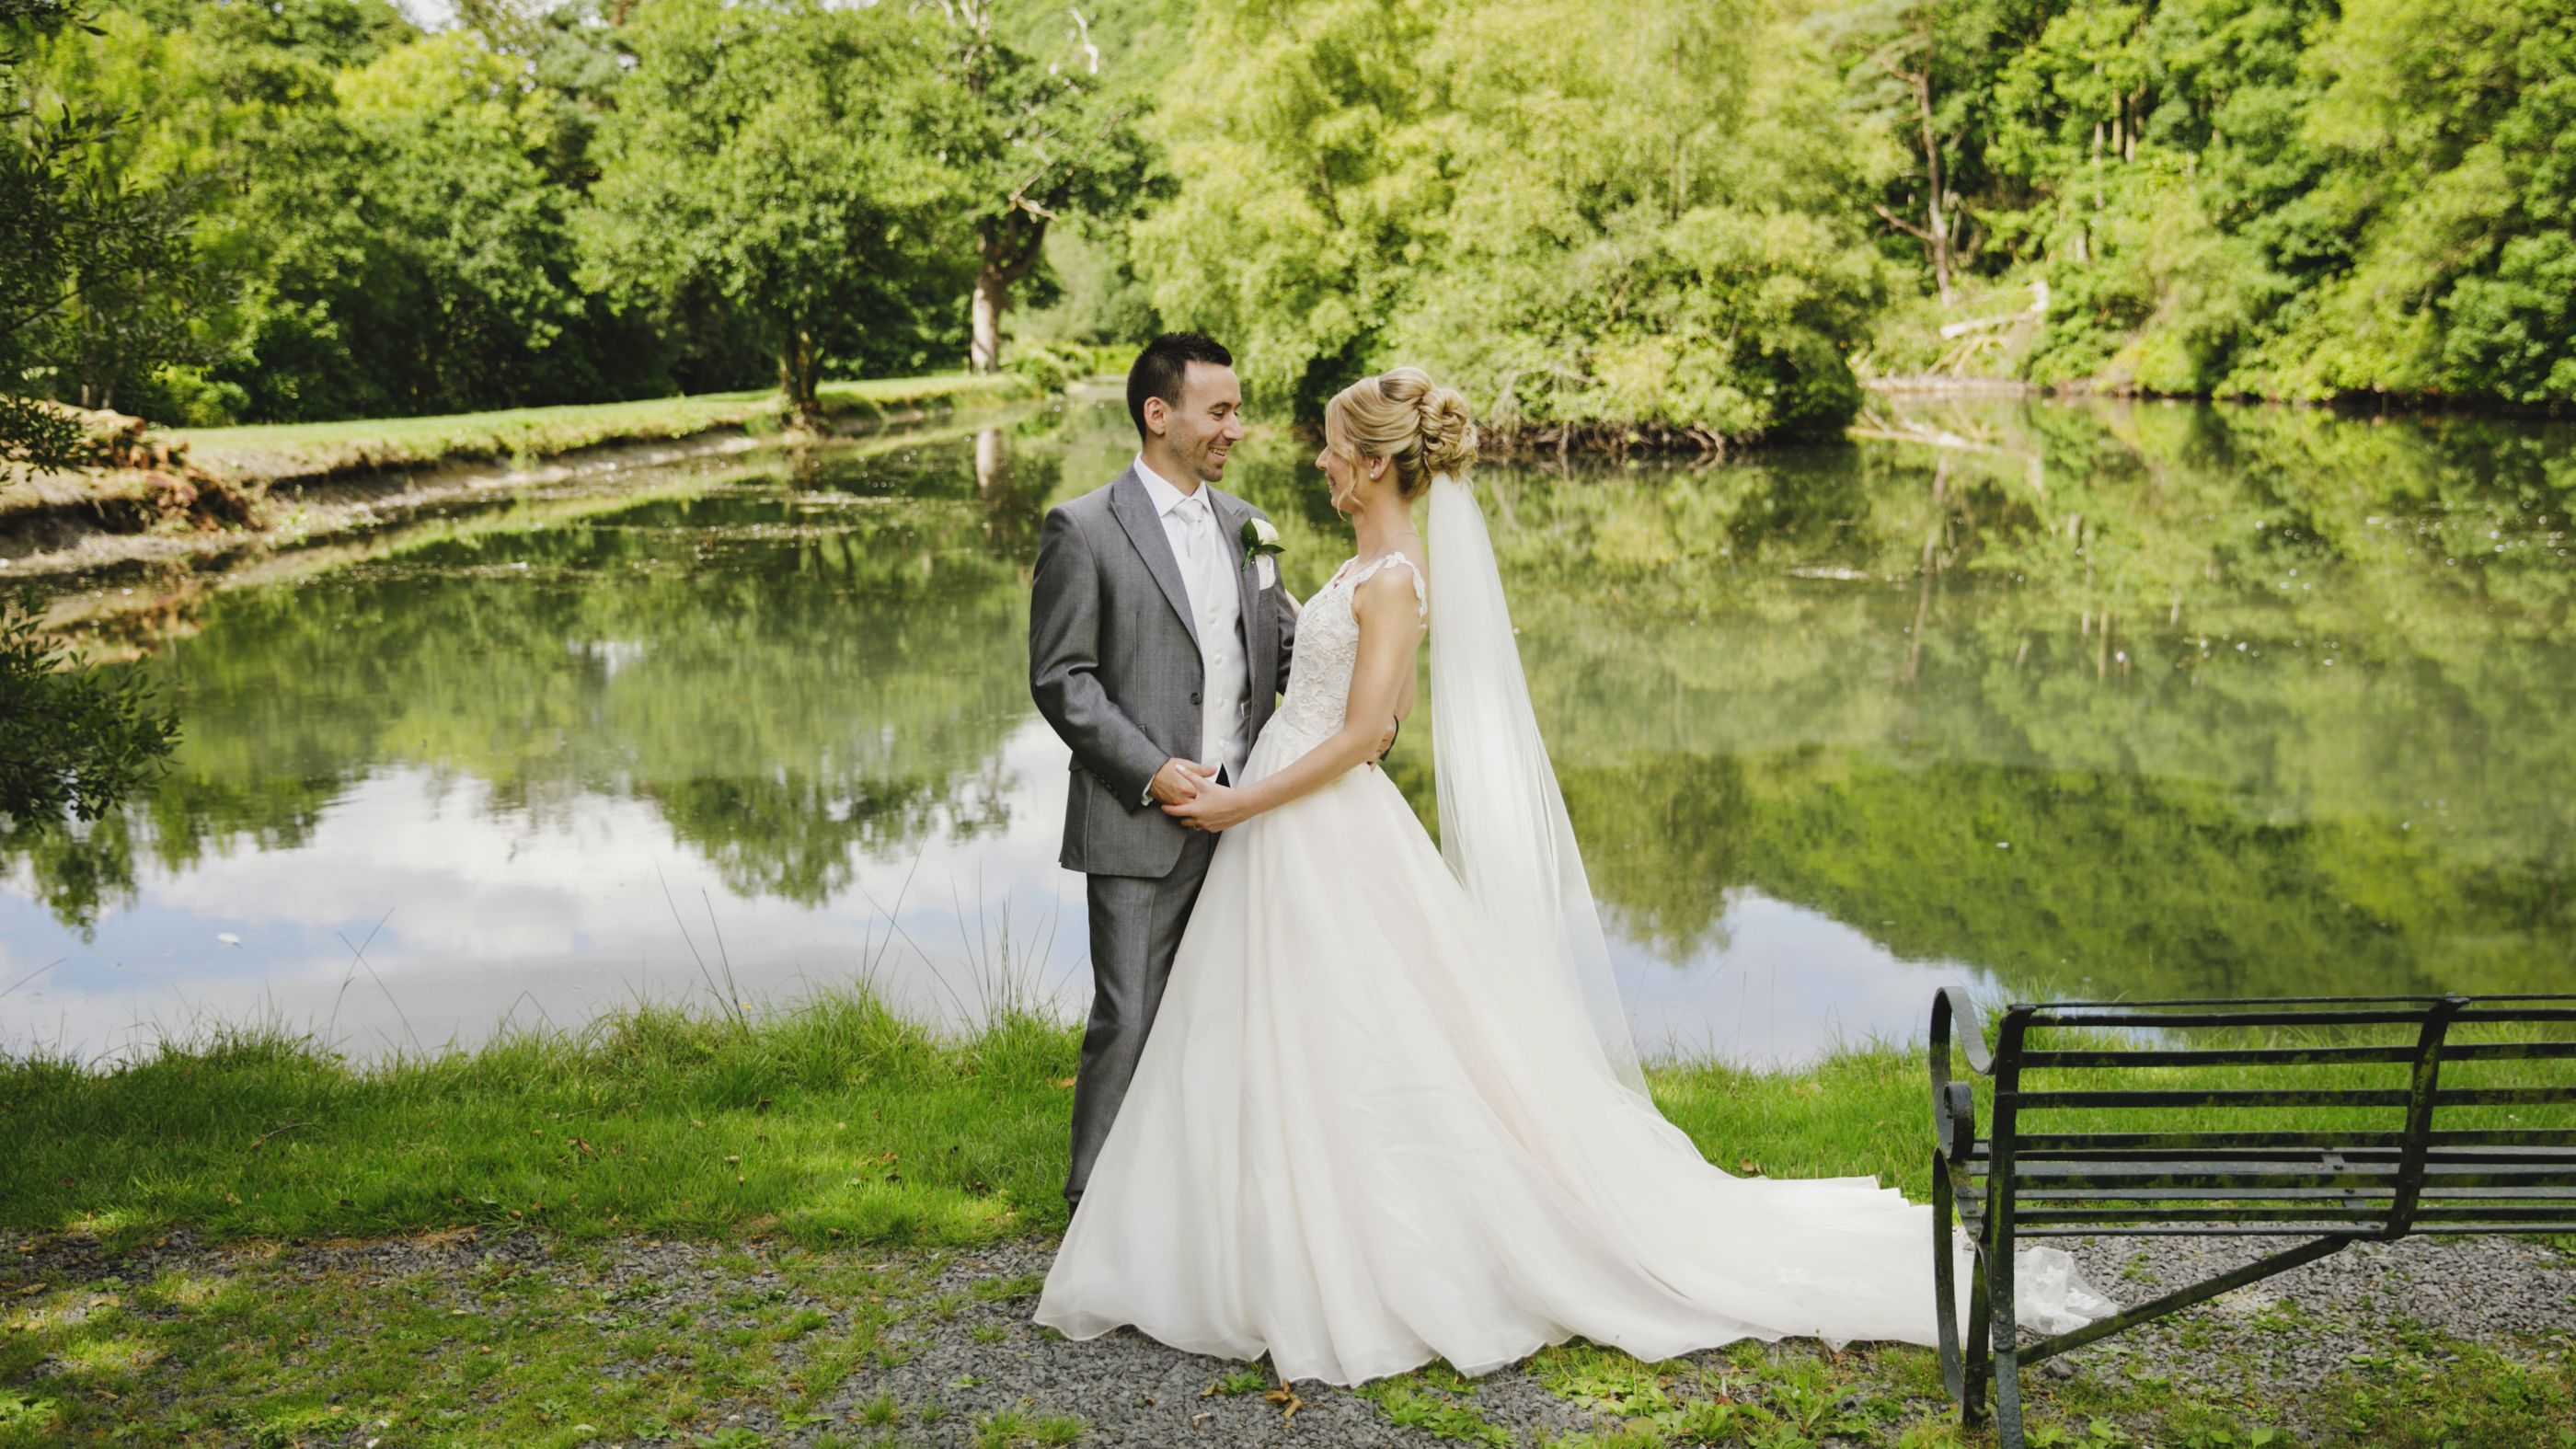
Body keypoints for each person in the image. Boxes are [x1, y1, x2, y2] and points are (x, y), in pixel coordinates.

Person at [1033, 366, 2108, 1385]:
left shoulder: (1395, 575)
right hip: (1290, 826)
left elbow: (1364, 734)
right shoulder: (1367, 563)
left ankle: (1360, 1243)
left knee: (1354, 1033)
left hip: (1305, 820)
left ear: (1368, 463)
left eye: (1327, 448)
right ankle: (1239, 1227)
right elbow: (1363, 704)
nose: (1315, 463)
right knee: (1281, 1031)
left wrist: (1234, 801)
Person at [1027, 332, 1302, 1215]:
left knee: (1234, 1015)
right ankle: (1093, 1210)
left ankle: (1205, 1204)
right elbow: (1061, 677)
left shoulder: (1249, 526)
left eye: (1235, 409)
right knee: (1131, 1015)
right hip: (1138, 820)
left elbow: (1287, 652)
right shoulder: (1083, 527)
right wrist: (1154, 772)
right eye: (1218, 410)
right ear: (1159, 414)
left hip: (1247, 816)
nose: (1236, 427)